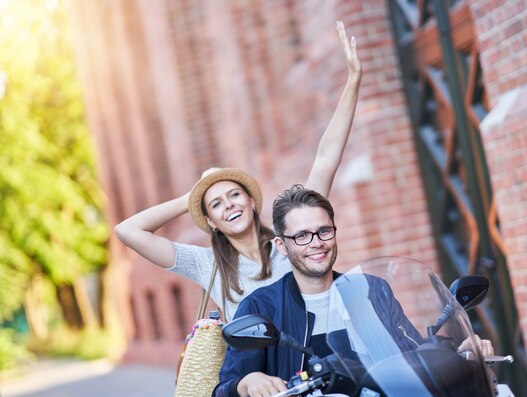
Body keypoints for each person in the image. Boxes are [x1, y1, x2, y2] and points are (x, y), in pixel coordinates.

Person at [114, 21, 361, 322]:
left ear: (252, 201)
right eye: (216, 204)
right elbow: (127, 231)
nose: (229, 204)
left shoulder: (292, 238)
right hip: (256, 370)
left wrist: (352, 82)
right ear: (210, 221)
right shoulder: (207, 264)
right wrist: (193, 196)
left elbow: (325, 158)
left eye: (234, 194)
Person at [211, 185, 495, 397]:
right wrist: (249, 383)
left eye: (324, 231)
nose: (316, 242)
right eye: (301, 236)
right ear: (282, 246)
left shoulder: (371, 289)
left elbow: (412, 355)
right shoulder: (263, 306)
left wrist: (458, 353)